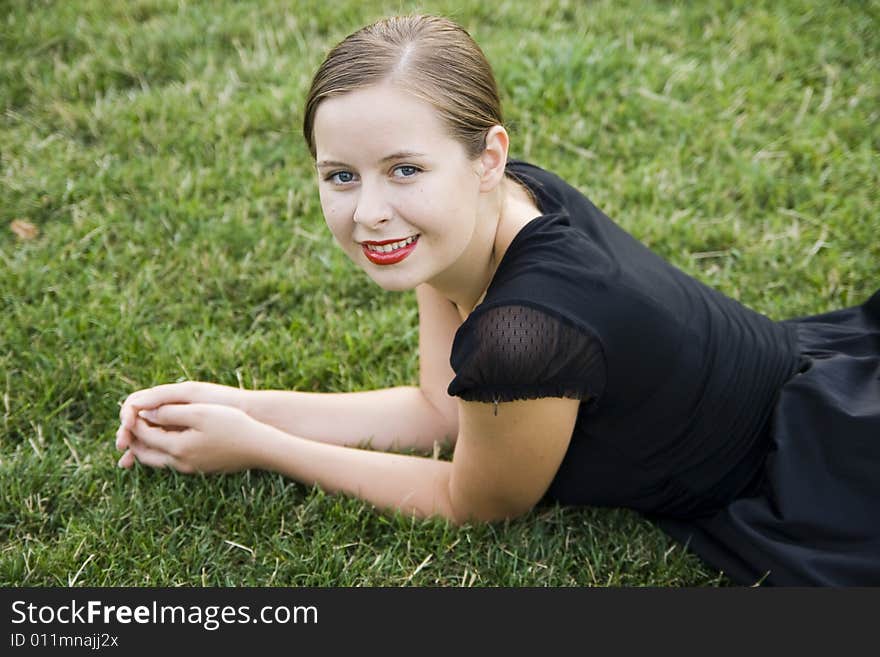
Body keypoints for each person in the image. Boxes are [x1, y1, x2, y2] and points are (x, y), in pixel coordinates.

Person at [115, 15, 880, 586]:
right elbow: (438, 407)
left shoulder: (522, 333)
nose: (369, 210)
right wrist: (239, 404)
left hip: (813, 471)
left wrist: (259, 447)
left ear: (488, 155)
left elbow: (474, 502)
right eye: (339, 174)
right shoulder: (483, 216)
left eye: (404, 169)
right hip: (806, 385)